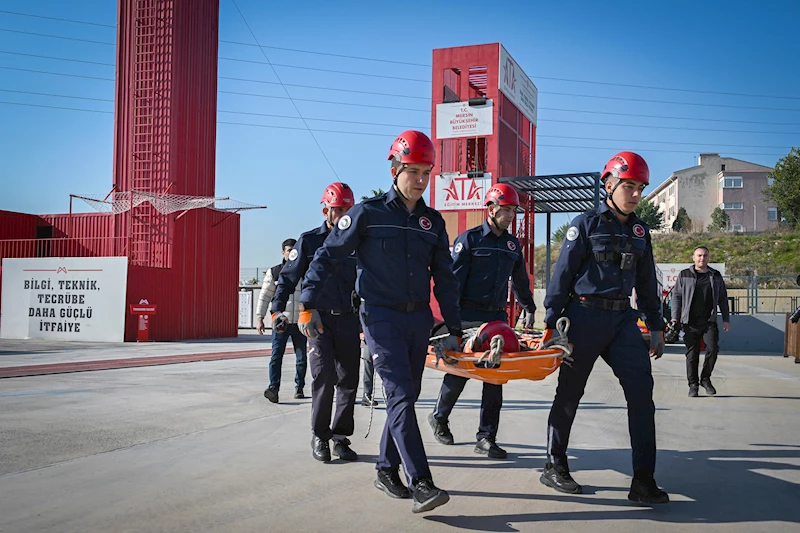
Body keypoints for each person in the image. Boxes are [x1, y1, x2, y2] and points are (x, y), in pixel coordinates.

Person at [298, 130, 462, 514]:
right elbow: (327, 256)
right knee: (400, 394)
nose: (420, 179)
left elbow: (447, 279)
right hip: (379, 317)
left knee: (407, 396)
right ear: (394, 168)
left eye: (426, 172)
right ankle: (421, 480)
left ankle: (386, 469)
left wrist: (453, 328)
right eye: (413, 171)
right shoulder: (368, 214)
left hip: (418, 319)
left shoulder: (433, 223)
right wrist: (307, 302)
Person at [541, 151, 669, 505]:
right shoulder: (584, 225)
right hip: (582, 317)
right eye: (629, 186)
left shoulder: (641, 232)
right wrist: (552, 322)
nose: (636, 194)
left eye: (640, 188)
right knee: (570, 394)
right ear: (609, 184)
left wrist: (655, 326)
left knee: (642, 395)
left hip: (623, 321)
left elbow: (646, 284)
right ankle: (554, 464)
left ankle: (643, 481)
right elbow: (561, 276)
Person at [428, 183, 536, 459]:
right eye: (506, 209)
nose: (511, 215)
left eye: (514, 210)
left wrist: (530, 307)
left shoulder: (512, 245)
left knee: (495, 377)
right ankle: (439, 417)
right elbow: (453, 283)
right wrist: (450, 324)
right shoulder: (470, 240)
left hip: (496, 317)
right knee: (460, 373)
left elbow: (520, 281)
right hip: (467, 317)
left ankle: (486, 437)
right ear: (491, 208)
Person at [271, 183, 361, 463]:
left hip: (348, 319)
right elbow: (287, 278)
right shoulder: (309, 241)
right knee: (324, 377)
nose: (344, 215)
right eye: (339, 210)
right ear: (326, 210)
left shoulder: (358, 242)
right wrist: (276, 311)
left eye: (349, 209)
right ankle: (320, 435)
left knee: (349, 379)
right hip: (317, 321)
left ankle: (340, 437)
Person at [670, 246, 730, 397]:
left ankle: (705, 379)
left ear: (709, 258)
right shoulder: (684, 275)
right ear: (693, 257)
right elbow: (677, 297)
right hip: (689, 322)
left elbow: (723, 298)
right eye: (699, 256)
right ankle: (693, 385)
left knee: (713, 349)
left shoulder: (715, 275)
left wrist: (726, 319)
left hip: (709, 321)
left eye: (704, 256)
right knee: (692, 354)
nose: (702, 258)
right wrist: (674, 318)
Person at [256, 238, 307, 403]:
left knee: (301, 358)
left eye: (294, 250)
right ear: (282, 252)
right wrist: (259, 317)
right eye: (288, 250)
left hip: (300, 322)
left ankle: (299, 387)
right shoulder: (274, 272)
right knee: (276, 355)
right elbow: (264, 297)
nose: (290, 252)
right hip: (281, 321)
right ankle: (273, 388)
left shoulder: (305, 271)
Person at [361, 336, 378, 406]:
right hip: (369, 340)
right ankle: (366, 395)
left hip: (384, 339)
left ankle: (393, 396)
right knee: (368, 367)